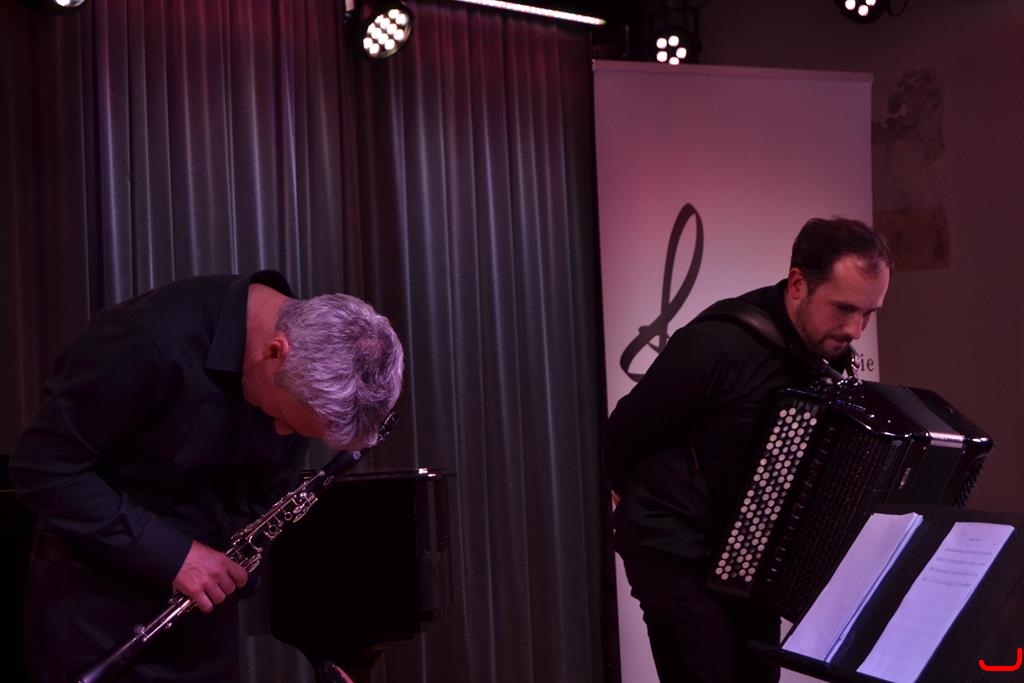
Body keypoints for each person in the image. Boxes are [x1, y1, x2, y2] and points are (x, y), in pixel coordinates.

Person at [10, 269, 404, 683]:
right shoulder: (145, 339)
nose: (282, 433)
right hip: (97, 619)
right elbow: (44, 469)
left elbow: (265, 495)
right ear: (275, 352)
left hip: (202, 626)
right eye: (285, 419)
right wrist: (174, 554)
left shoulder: (302, 377)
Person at [604, 218, 893, 683]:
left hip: (750, 556)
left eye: (868, 313)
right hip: (676, 552)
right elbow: (621, 434)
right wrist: (640, 496)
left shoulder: (824, 357)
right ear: (798, 283)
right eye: (843, 308)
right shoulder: (715, 345)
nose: (855, 329)